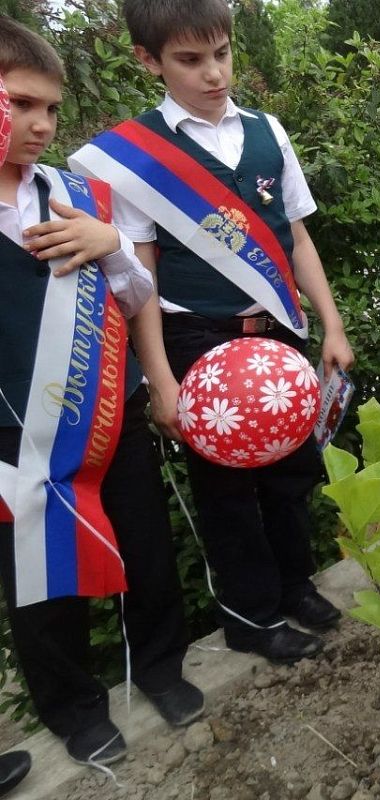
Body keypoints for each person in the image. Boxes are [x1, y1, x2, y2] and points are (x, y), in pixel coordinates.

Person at [70, 0, 354, 665]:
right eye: (190, 61)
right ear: (148, 60)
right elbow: (138, 279)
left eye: (221, 53)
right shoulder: (135, 157)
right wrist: (161, 382)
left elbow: (297, 238)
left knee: (290, 472)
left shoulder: (267, 132)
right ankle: (250, 618)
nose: (214, 74)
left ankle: (294, 585)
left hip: (276, 330)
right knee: (227, 492)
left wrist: (332, 324)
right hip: (197, 340)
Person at [0, 18, 200, 766]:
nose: (41, 125)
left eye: (50, 108)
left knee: (144, 545)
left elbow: (139, 295)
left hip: (106, 408)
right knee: (40, 578)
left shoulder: (74, 193)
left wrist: (112, 247)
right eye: (20, 104)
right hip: (13, 433)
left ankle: (159, 665)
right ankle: (73, 708)